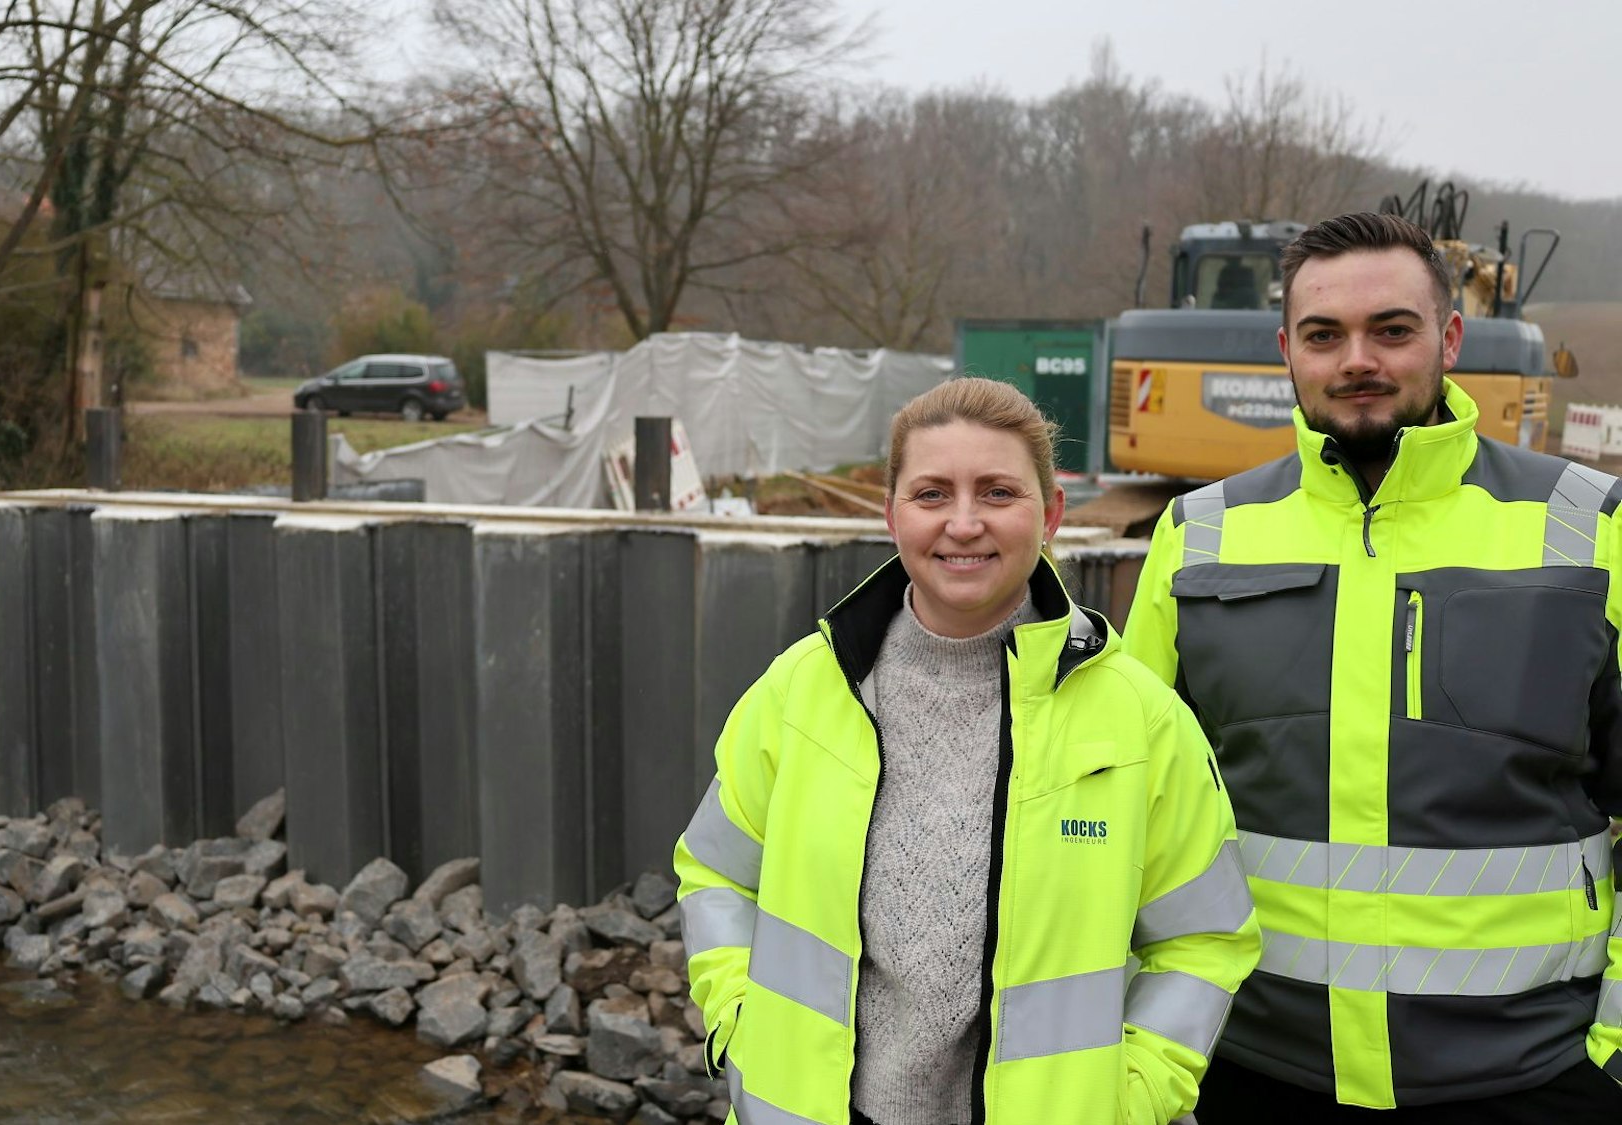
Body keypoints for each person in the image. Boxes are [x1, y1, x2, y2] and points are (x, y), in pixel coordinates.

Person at [1122, 211, 1622, 1122]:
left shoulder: (1589, 528)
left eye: (1392, 329)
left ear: (1450, 337)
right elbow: (1125, 810)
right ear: (1287, 349)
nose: (1358, 358)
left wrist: (1614, 1052)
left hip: (1533, 1076)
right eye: (1325, 334)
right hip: (1257, 1068)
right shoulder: (1199, 536)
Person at [673, 378, 1261, 1125]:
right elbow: (715, 873)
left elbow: (1204, 938)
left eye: (996, 492)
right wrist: (741, 1023)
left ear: (1049, 513)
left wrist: (1129, 1097)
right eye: (930, 494)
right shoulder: (803, 691)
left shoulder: (1140, 721)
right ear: (891, 515)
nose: (962, 522)